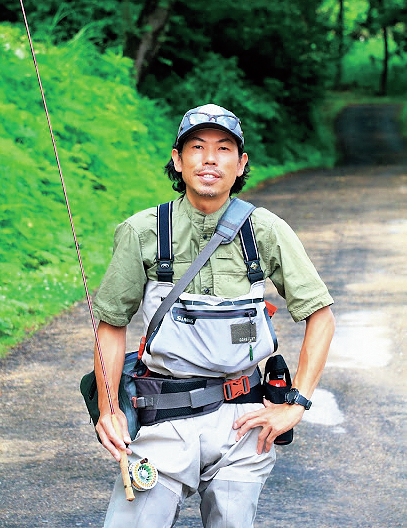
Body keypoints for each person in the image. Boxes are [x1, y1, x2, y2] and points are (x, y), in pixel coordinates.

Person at [92, 104, 335, 528]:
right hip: (160, 418)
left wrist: (295, 404)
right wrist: (110, 406)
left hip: (244, 422)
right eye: (197, 147)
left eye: (224, 149)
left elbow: (321, 315)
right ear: (177, 159)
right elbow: (111, 325)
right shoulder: (141, 231)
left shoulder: (266, 230)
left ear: (240, 164)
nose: (209, 159)